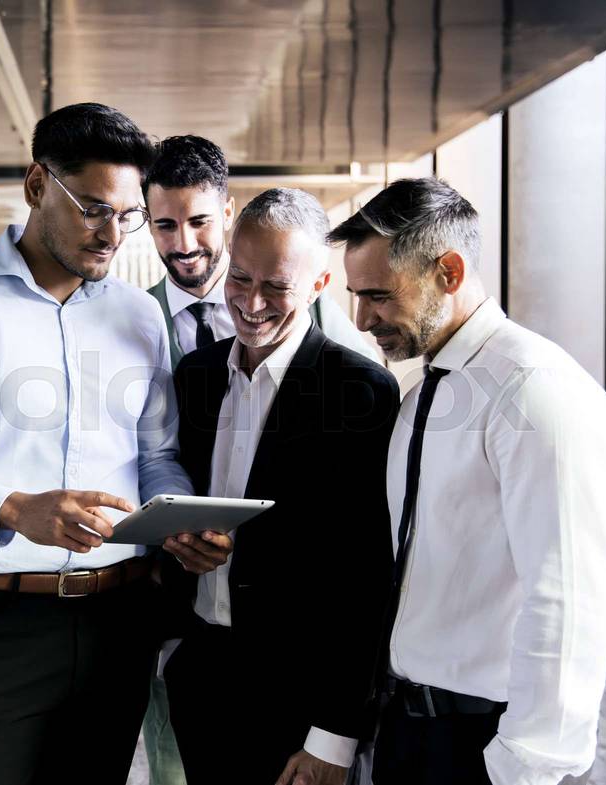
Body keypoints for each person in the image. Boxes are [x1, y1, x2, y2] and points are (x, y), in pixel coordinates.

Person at [0, 102, 230, 785]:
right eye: (92, 208)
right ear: (37, 186)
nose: (111, 234)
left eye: (127, 216)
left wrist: (180, 517)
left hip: (119, 620)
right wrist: (11, 507)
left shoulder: (140, 315)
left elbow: (155, 455)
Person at [330, 177, 606, 785]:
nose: (362, 320)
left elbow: (570, 600)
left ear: (450, 272)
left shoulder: (535, 389)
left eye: (378, 295)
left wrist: (525, 768)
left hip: (484, 744)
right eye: (356, 296)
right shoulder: (425, 393)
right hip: (407, 730)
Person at [140, 134, 381, 785]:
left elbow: (366, 575)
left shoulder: (359, 390)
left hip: (300, 698)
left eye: (275, 286)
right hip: (202, 675)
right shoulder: (195, 374)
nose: (248, 303)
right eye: (239, 279)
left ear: (320, 282)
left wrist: (335, 733)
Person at [144, 134, 380, 367]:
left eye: (199, 222)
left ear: (227, 215)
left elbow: (369, 383)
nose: (185, 245)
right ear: (149, 224)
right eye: (166, 225)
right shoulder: (139, 315)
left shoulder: (304, 301)